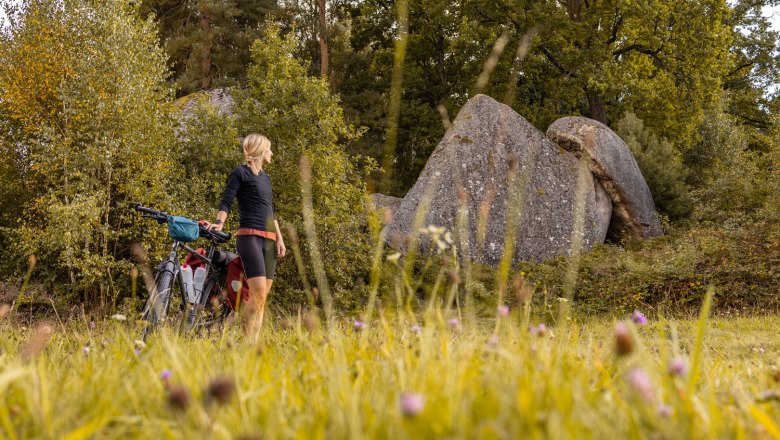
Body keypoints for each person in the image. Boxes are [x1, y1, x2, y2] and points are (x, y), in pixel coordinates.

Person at [206, 133, 286, 340]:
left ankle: (252, 344)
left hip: (269, 239)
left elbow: (271, 209)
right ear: (260, 150)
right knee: (257, 292)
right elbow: (227, 200)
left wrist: (280, 238)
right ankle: (239, 330)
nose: (271, 153)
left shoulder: (266, 178)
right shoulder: (240, 173)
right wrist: (219, 222)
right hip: (249, 236)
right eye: (268, 149)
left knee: (262, 298)